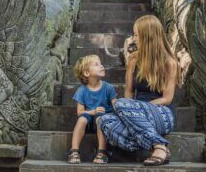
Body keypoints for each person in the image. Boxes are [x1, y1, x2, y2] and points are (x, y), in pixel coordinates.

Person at [98, 15, 179, 166]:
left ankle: (159, 146)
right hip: (134, 114)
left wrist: (137, 110)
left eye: (136, 35)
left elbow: (167, 98)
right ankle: (152, 143)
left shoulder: (169, 63)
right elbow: (129, 92)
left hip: (162, 113)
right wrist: (131, 111)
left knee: (121, 104)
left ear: (148, 36)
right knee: (104, 120)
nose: (133, 39)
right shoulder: (133, 60)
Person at [68, 55, 117, 164]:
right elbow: (80, 112)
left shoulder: (108, 88)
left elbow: (116, 108)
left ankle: (102, 152)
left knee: (100, 119)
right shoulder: (82, 91)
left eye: (101, 63)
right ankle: (74, 151)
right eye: (96, 64)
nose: (101, 66)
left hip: (103, 121)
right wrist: (92, 112)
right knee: (81, 119)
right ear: (86, 73)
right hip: (89, 118)